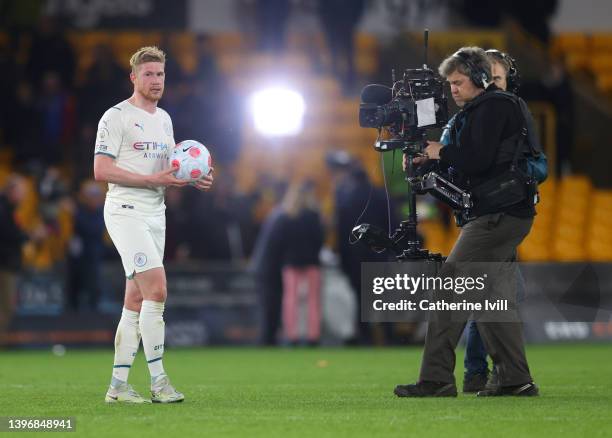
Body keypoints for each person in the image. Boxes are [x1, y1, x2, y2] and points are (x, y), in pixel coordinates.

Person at [395, 47, 539, 397]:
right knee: (491, 300)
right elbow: (470, 161)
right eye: (450, 83)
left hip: (497, 215)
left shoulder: (495, 105)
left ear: (479, 79)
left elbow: (475, 159)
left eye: (458, 82)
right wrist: (426, 160)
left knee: (450, 289)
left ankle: (436, 379)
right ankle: (514, 379)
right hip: (503, 212)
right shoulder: (484, 108)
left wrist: (438, 151)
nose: (453, 89)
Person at [93, 46, 214, 404]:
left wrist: (196, 175)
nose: (156, 80)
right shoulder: (115, 117)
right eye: (148, 74)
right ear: (134, 77)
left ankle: (117, 388)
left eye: (160, 74)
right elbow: (100, 170)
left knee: (135, 298)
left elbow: (170, 165)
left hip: (155, 212)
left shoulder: (164, 119)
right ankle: (159, 382)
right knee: (157, 291)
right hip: (125, 209)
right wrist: (149, 182)